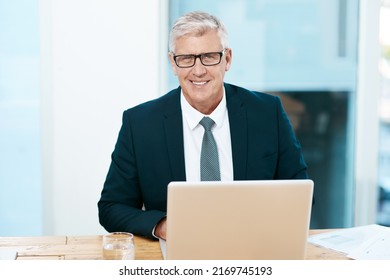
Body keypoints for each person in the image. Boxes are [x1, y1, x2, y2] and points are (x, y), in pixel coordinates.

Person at [98, 11, 308, 240]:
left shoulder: (268, 113)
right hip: (179, 252)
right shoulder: (140, 124)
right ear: (173, 63)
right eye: (186, 58)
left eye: (209, 56)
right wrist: (161, 225)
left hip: (254, 245)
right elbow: (111, 207)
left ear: (227, 59)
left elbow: (301, 195)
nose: (198, 71)